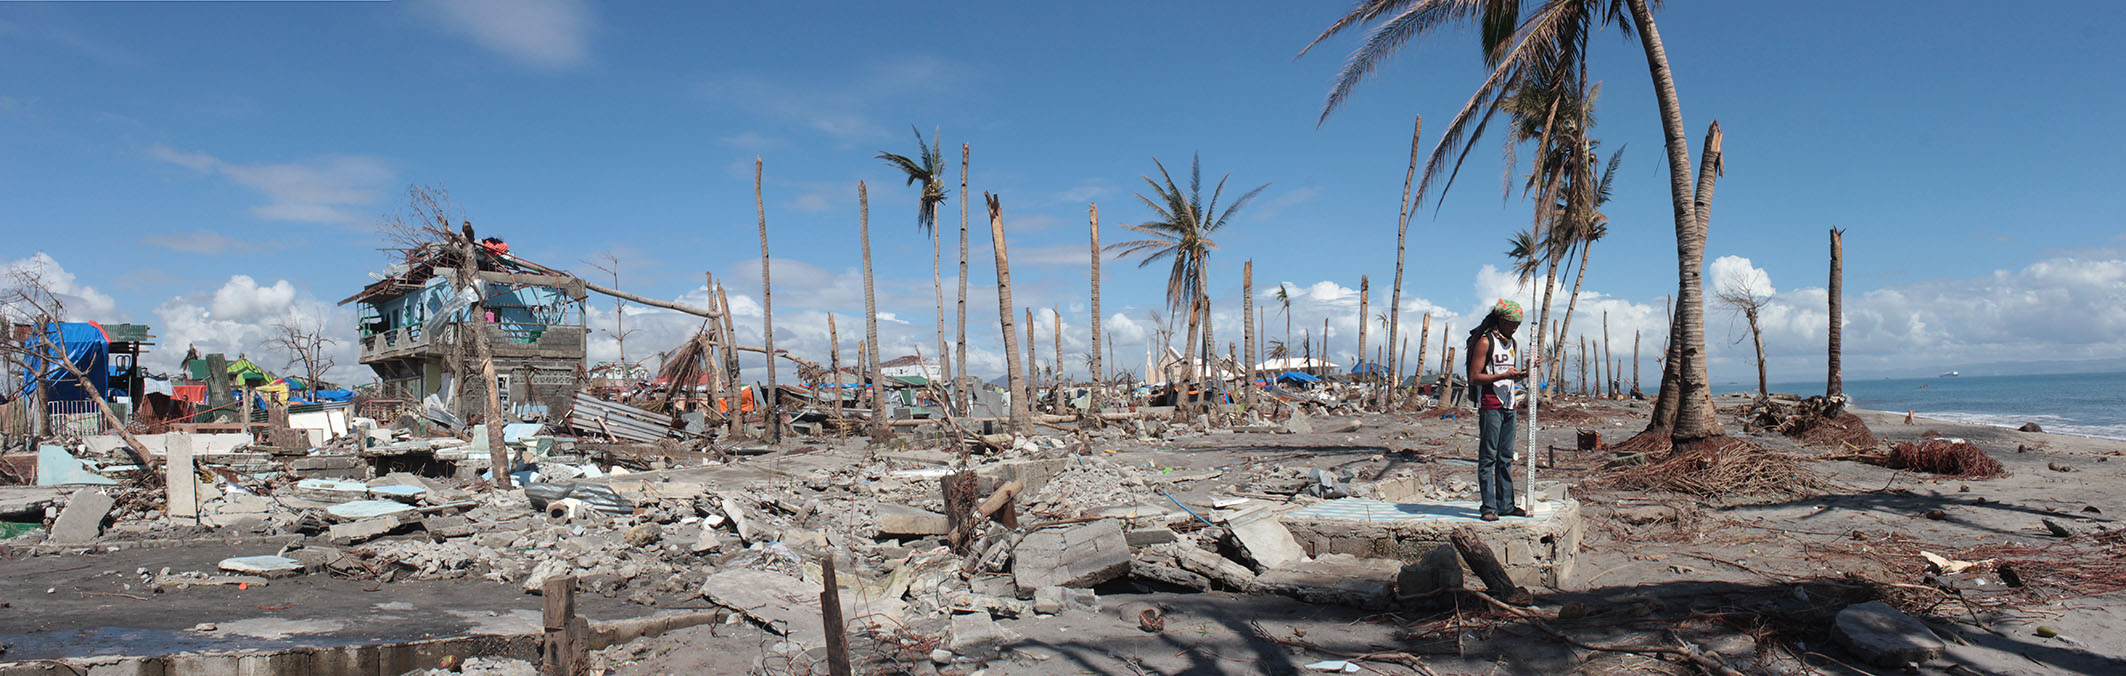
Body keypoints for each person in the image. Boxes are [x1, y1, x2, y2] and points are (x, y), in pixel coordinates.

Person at [1467, 299, 1536, 521]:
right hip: (1490, 404)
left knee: (1505, 456)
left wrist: (1522, 374)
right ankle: (1488, 506)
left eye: (1517, 325)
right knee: (1489, 456)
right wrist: (1503, 376)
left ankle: (1506, 505)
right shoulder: (1486, 342)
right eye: (1511, 323)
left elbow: (1509, 371)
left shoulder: (1512, 343)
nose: (1514, 328)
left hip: (1509, 404)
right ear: (1501, 320)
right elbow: (1475, 377)